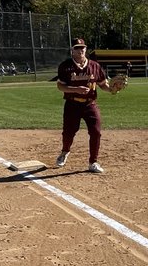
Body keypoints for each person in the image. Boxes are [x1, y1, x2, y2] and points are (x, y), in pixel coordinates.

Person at [54, 38, 126, 174]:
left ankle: (93, 162)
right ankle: (65, 152)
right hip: (72, 104)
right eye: (77, 48)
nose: (80, 50)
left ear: (86, 49)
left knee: (96, 131)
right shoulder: (65, 66)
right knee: (68, 132)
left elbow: (103, 84)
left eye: (82, 47)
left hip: (90, 104)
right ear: (72, 50)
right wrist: (76, 90)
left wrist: (112, 89)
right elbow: (60, 86)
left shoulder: (94, 66)